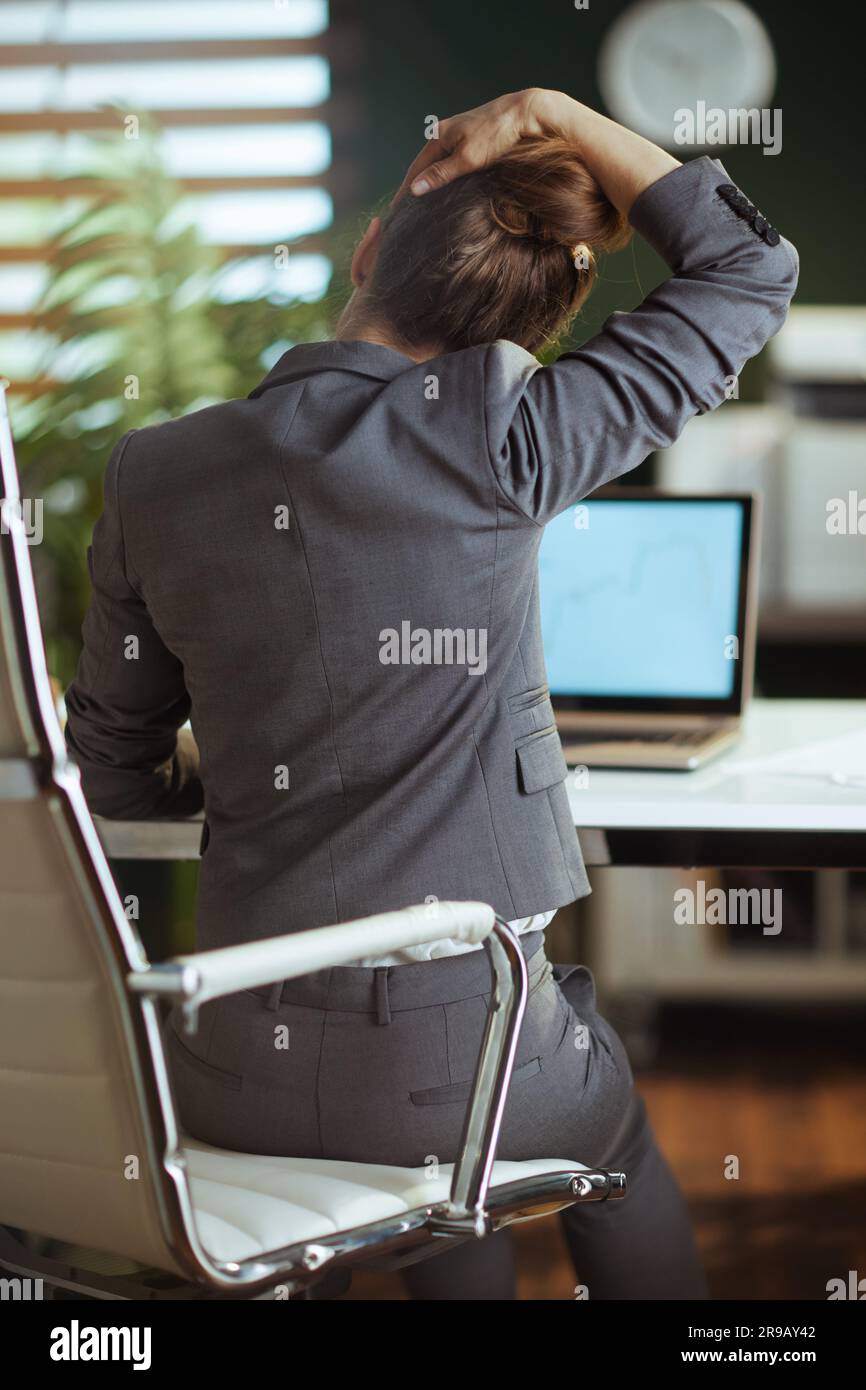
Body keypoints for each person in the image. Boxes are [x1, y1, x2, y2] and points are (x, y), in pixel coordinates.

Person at [64, 89, 798, 1299]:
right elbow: (746, 265)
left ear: (367, 253)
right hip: (463, 1064)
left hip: (229, 1063)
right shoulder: (505, 437)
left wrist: (244, 755)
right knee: (584, 1132)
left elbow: (109, 771)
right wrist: (553, 112)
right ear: (528, 329)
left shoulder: (156, 471)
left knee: (448, 1178)